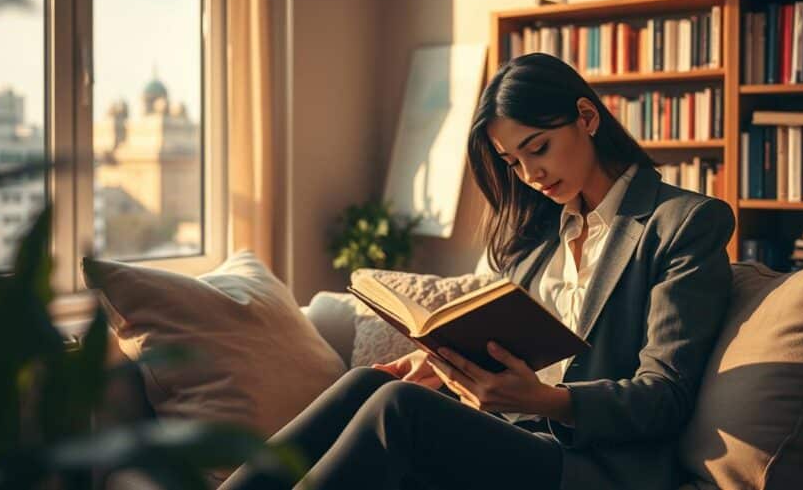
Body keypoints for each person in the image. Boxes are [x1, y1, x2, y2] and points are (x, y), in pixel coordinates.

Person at [220, 52, 735, 490]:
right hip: (517, 432)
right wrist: (451, 366)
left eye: (537, 148)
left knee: (399, 408)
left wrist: (547, 400)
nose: (530, 175)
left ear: (587, 116)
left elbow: (664, 396)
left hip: (596, 467)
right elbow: (520, 346)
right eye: (513, 162)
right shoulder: (539, 242)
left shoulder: (682, 223)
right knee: (369, 383)